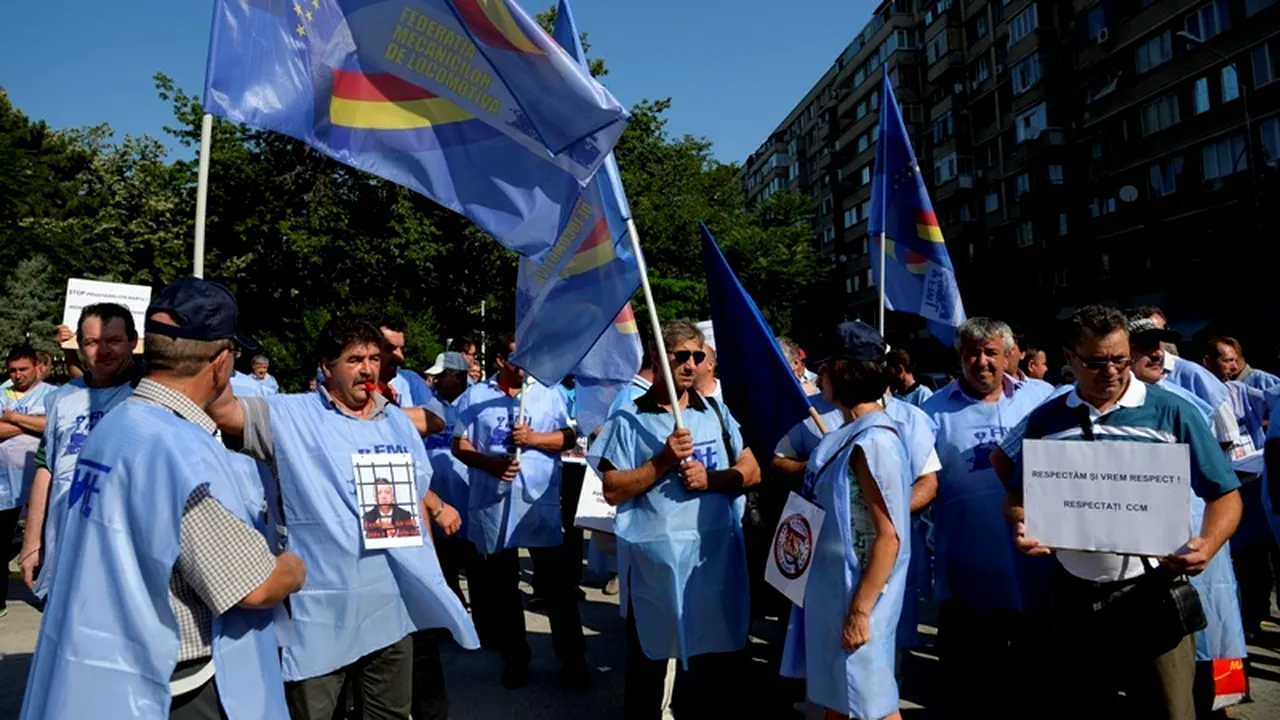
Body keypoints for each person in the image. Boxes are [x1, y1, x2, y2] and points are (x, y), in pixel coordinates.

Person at [20, 277, 306, 719]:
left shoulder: (119, 423)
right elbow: (253, 586)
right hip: (171, 685)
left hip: (108, 659)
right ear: (222, 362)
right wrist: (293, 568)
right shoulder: (180, 450)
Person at [209, 314, 476, 720]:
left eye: (372, 357)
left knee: (389, 714)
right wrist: (216, 345)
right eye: (354, 359)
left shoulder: (395, 423)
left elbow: (415, 496)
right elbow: (220, 409)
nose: (367, 368)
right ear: (326, 365)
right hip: (322, 608)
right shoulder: (289, 415)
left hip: (390, 606)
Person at [1001, 305, 1242, 719]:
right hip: (1073, 596)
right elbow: (1018, 495)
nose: (1111, 371)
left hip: (1152, 592)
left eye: (1119, 359)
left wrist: (1208, 543)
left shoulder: (1172, 411)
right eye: (1096, 362)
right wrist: (1021, 523)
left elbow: (1225, 495)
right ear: (1070, 358)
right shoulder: (1047, 419)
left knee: (1169, 710)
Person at [590, 319, 762, 720]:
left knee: (712, 660)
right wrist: (663, 461)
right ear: (657, 358)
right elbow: (613, 488)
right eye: (680, 355)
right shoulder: (629, 419)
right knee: (651, 661)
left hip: (714, 561)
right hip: (657, 566)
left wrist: (714, 478)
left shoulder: (715, 412)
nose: (690, 364)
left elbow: (752, 468)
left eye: (697, 356)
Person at [919, 317, 1052, 717]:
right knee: (972, 687)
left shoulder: (1043, 400)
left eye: (991, 353)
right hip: (968, 572)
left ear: (1009, 355)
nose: (981, 362)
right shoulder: (932, 412)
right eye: (972, 354)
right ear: (959, 357)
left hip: (1038, 569)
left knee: (1038, 684)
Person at [779, 321, 910, 720]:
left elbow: (889, 537)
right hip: (833, 593)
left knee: (871, 707)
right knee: (841, 701)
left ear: (844, 372)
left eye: (824, 369)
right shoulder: (850, 433)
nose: (817, 378)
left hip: (856, 598)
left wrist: (860, 612)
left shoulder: (874, 442)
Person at [450, 334, 588, 690]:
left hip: (537, 505)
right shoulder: (476, 397)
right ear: (500, 360)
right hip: (494, 505)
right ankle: (515, 657)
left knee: (557, 589)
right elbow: (459, 444)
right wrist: (488, 463)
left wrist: (534, 440)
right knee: (502, 591)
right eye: (516, 359)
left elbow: (569, 438)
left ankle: (572, 659)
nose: (525, 366)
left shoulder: (547, 391)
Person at [20, 303, 142, 599]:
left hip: (126, 548)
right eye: (92, 342)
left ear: (134, 342)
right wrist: (32, 541)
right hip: (66, 541)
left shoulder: (147, 395)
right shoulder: (62, 398)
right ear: (81, 345)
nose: (103, 351)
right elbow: (46, 468)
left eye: (114, 340)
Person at [0, 345, 56, 618]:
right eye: (13, 370)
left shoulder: (54, 395)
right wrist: (31, 422)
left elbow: (54, 424)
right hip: (4, 485)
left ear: (37, 367)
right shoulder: (1, 392)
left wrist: (11, 417)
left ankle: (48, 596)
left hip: (41, 483)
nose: (18, 375)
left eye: (23, 369)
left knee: (46, 543)